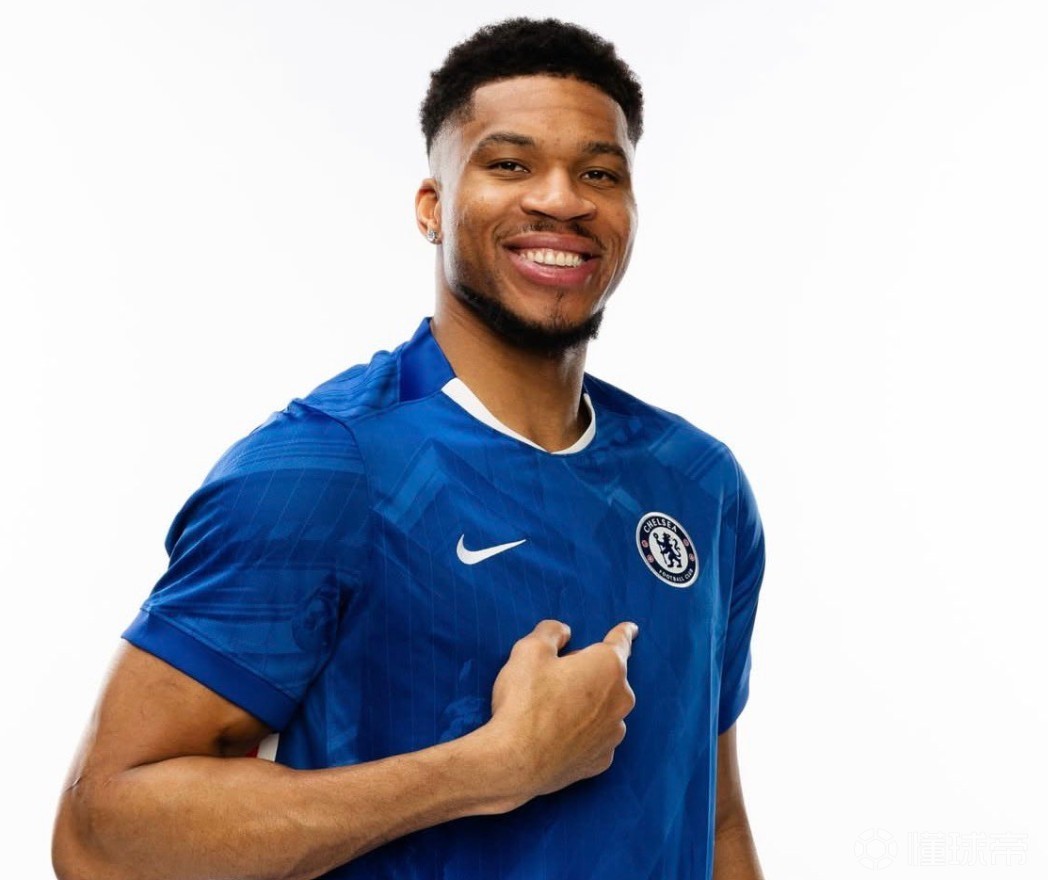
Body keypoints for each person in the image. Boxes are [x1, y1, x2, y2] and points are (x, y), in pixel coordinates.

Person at [53, 18, 767, 880]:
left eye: (599, 173)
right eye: (510, 165)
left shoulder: (698, 483)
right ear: (433, 207)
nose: (562, 199)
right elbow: (100, 839)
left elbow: (715, 818)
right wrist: (491, 768)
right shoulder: (325, 469)